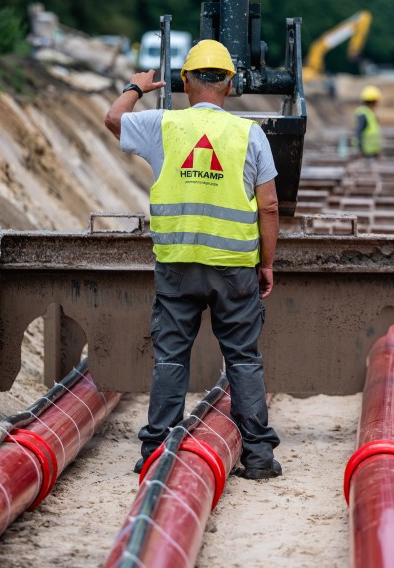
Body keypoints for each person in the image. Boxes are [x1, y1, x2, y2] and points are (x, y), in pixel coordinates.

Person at [104, 39, 282, 480]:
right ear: (231, 83)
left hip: (177, 266)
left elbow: (112, 118)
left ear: (184, 81)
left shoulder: (163, 126)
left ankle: (154, 455)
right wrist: (267, 264)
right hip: (234, 269)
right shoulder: (249, 134)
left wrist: (136, 86)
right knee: (242, 359)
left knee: (170, 358)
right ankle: (258, 457)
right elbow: (271, 206)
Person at [352, 84, 383, 159]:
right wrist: (360, 150)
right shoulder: (363, 114)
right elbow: (358, 132)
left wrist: (377, 151)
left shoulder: (369, 112)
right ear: (373, 100)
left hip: (371, 152)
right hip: (365, 153)